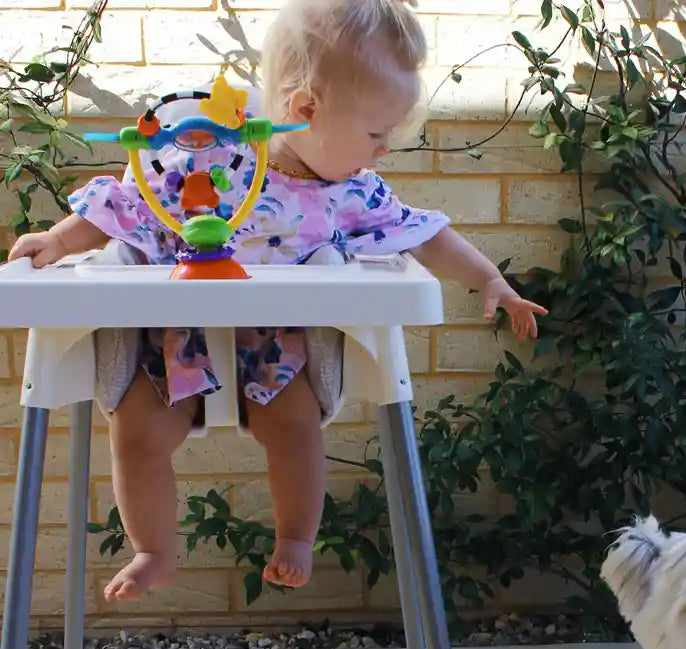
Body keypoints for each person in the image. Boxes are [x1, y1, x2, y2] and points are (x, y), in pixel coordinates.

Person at [8, 0, 548, 603]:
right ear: (306, 109)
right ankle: (154, 551)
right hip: (173, 345)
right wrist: (59, 239)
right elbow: (124, 208)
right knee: (135, 432)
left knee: (294, 430)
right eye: (375, 133)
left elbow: (427, 234)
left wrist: (489, 281)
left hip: (278, 353)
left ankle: (294, 538)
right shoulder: (209, 161)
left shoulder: (352, 193)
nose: (383, 149)